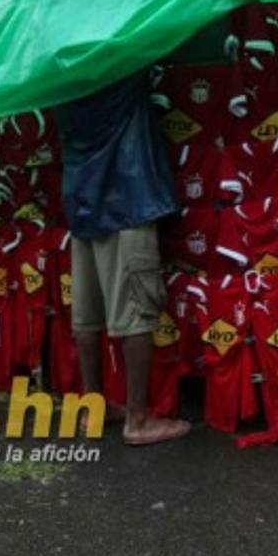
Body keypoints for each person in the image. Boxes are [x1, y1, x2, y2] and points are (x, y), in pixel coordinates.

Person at [55, 70, 192, 446]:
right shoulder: (121, 64)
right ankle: (137, 419)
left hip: (83, 205)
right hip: (125, 200)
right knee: (135, 314)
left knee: (87, 317)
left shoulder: (58, 77)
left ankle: (94, 408)